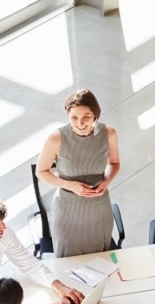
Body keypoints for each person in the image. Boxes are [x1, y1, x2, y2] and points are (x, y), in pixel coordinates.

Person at [36, 89, 121, 257]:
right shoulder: (56, 138)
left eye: (86, 117)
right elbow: (41, 171)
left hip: (98, 208)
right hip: (68, 209)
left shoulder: (109, 134)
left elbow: (115, 163)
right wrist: (70, 185)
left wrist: (107, 181)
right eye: (74, 117)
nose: (80, 123)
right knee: (68, 262)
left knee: (100, 260)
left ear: (95, 115)